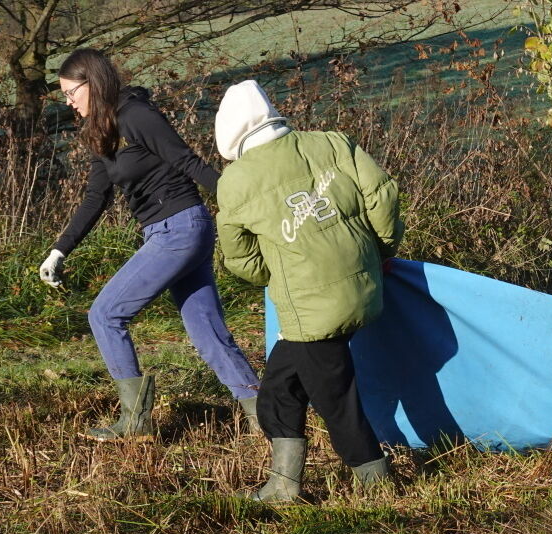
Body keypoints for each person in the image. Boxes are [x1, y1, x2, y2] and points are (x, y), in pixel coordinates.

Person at [38, 48, 261, 440]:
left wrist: (251, 209)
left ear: (94, 82)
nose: (69, 103)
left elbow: (189, 163)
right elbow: (96, 197)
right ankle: (267, 415)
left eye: (72, 93)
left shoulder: (137, 115)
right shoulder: (101, 131)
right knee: (206, 330)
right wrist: (60, 249)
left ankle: (135, 420)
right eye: (66, 96)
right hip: (165, 231)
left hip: (181, 228)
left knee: (105, 314)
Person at [213, 80, 402, 502]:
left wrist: (280, 276)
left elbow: (240, 259)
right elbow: (382, 195)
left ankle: (379, 487)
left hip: (309, 309)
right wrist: (378, 251)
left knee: (335, 397)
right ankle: (284, 483)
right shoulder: (333, 143)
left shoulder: (236, 181)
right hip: (365, 286)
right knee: (280, 390)